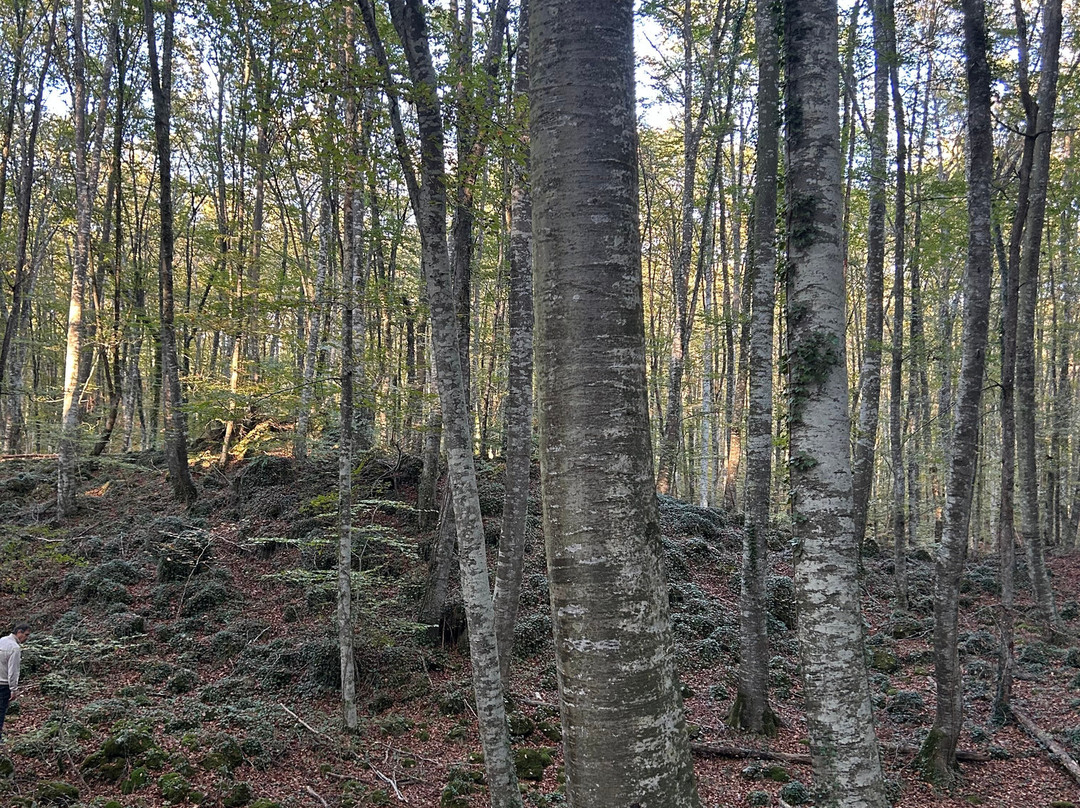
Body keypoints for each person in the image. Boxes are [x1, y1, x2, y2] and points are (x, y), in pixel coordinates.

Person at [0, 623, 30, 743]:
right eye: (26, 635)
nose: (26, 638)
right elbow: (13, 671)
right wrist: (13, 689)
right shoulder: (15, 648)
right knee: (1, 711)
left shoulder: (2, 640)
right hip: (3, 684)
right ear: (19, 632)